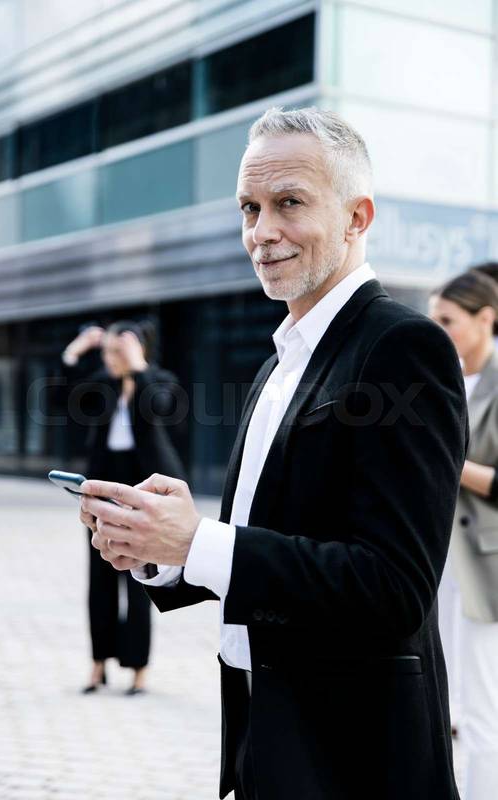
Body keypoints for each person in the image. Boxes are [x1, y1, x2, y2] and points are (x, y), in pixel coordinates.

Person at [81, 108, 467, 799]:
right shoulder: (279, 361)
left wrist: (201, 541)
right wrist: (160, 548)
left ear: (357, 218)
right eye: (249, 208)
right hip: (261, 733)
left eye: (289, 203)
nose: (261, 233)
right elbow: (271, 545)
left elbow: (394, 588)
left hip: (354, 754)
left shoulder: (402, 347)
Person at [62, 320, 185, 694]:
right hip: (101, 491)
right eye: (107, 352)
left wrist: (138, 368)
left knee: (139, 584)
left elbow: (160, 408)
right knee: (99, 582)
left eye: (116, 352)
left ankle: (139, 670)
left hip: (143, 494)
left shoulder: (159, 379)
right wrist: (74, 352)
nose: (109, 359)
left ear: (136, 351)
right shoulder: (103, 383)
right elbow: (63, 398)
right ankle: (98, 666)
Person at [429, 270, 498, 800]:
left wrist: (443, 460)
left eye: (448, 321)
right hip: (435, 559)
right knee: (438, 701)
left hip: (484, 568)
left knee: (481, 712)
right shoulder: (437, 376)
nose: (438, 330)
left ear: (486, 319)